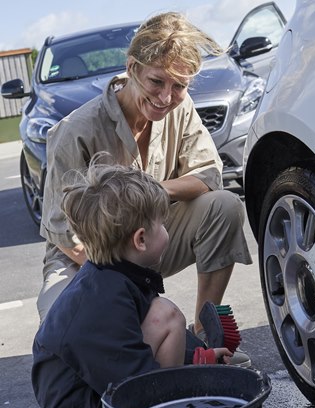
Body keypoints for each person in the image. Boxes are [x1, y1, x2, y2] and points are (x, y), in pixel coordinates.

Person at [38, 11, 252, 364]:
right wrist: (130, 285)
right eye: (157, 81)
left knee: (225, 205)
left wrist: (151, 191)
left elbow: (209, 176)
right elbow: (64, 234)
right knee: (64, 328)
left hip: (152, 238)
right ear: (133, 68)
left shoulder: (181, 111)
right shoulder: (75, 130)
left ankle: (203, 336)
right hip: (86, 258)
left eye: (180, 86)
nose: (167, 97)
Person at [32, 159, 234, 408]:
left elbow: (134, 343)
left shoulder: (111, 275)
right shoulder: (103, 303)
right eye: (163, 225)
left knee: (160, 315)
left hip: (84, 396)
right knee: (166, 316)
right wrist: (188, 387)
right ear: (140, 240)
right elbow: (133, 380)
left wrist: (200, 358)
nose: (167, 231)